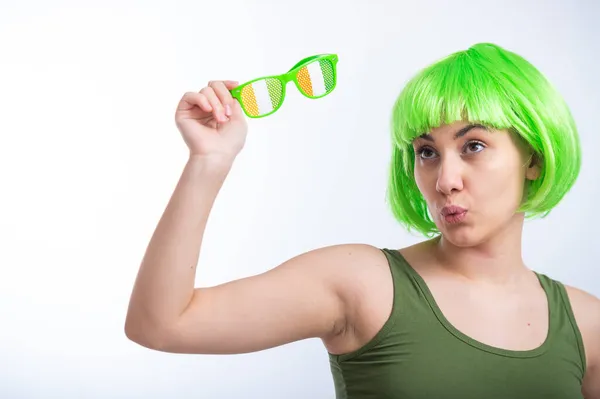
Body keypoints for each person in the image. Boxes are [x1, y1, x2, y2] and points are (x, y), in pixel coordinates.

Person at [124, 43, 600, 398]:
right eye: (427, 153)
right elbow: (162, 325)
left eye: (473, 146)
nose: (445, 180)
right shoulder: (362, 283)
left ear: (533, 157)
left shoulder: (586, 324)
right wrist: (209, 161)